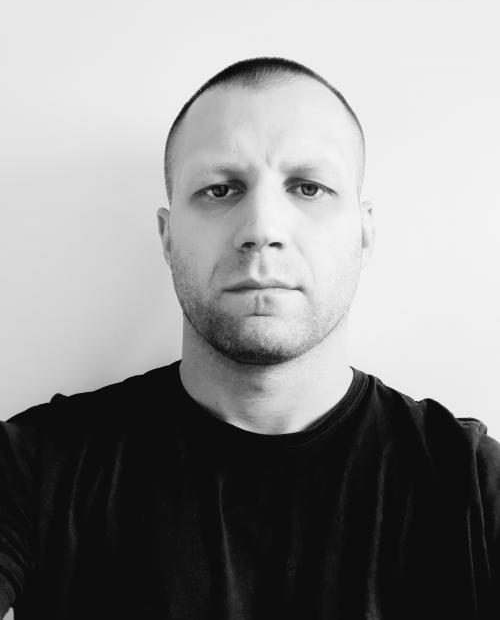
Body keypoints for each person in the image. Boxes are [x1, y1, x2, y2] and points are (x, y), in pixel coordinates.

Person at [1, 57, 499, 620]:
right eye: (220, 189)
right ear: (167, 237)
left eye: (309, 187)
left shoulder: (468, 486)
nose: (262, 228)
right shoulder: (36, 468)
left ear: (364, 234)